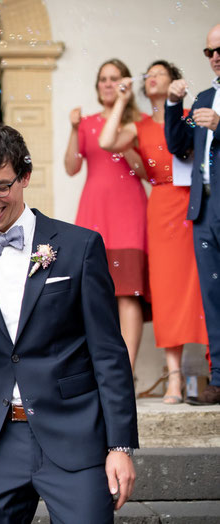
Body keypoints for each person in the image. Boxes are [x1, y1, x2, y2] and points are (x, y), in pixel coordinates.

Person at [0, 121, 138, 523]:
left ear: (25, 176)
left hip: (75, 437)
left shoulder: (80, 246)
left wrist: (120, 445)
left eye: (1, 186)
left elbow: (109, 353)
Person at [99, 61, 208, 404]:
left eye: (159, 72)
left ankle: (212, 369)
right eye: (149, 75)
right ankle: (174, 378)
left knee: (205, 285)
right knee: (168, 292)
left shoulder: (192, 114)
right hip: (161, 207)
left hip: (197, 203)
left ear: (175, 81)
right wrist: (121, 98)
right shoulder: (139, 126)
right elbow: (106, 141)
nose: (152, 77)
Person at [64, 58, 148, 373]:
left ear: (126, 83)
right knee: (94, 295)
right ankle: (97, 371)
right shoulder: (85, 123)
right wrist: (74, 129)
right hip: (93, 213)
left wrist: (121, 141)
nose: (108, 84)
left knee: (127, 293)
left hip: (128, 213)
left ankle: (127, 370)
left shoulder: (138, 123)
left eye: (114, 78)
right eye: (103, 79)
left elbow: (145, 171)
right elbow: (71, 167)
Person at [165, 23, 220, 405]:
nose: (215, 57)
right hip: (204, 210)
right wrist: (171, 105)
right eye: (209, 52)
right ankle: (218, 378)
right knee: (213, 296)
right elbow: (178, 144)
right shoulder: (203, 97)